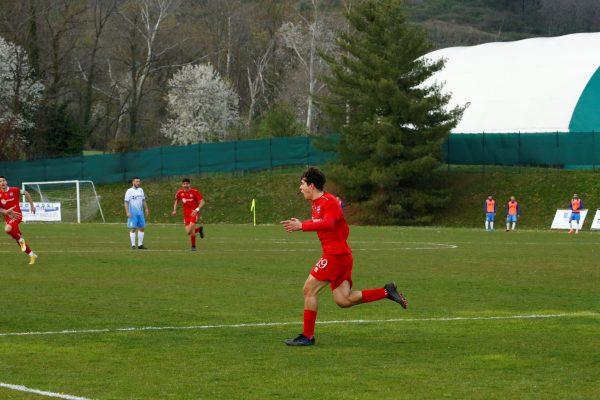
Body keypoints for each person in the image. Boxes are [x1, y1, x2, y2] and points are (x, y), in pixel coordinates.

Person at [280, 167, 408, 347]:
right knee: (343, 300)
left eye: (302, 184)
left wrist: (302, 226)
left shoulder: (328, 201)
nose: (300, 188)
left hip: (336, 256)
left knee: (309, 289)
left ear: (311, 185)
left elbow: (328, 223)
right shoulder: (318, 203)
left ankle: (307, 336)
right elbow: (336, 223)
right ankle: (386, 291)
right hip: (340, 255)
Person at [0, 176, 37, 264]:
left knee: (7, 229)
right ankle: (32, 255)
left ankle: (21, 240)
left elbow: (26, 193)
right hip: (8, 218)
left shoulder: (14, 190)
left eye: (4, 180)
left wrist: (32, 206)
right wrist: (5, 211)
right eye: (0, 181)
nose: (2, 182)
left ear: (6, 182)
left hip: (17, 216)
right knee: (18, 241)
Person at [172, 178, 205, 251]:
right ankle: (199, 229)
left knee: (191, 227)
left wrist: (197, 209)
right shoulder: (180, 193)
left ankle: (193, 247)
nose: (185, 185)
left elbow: (202, 202)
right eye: (184, 184)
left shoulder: (195, 192)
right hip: (186, 214)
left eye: (187, 184)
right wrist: (174, 210)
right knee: (188, 232)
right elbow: (176, 201)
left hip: (194, 213)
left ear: (189, 184)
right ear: (182, 184)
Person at [124, 177, 149, 249]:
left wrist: (146, 208)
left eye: (139, 181)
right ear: (133, 182)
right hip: (132, 212)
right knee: (133, 228)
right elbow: (126, 202)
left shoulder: (141, 190)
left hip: (140, 213)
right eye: (137, 181)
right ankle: (133, 245)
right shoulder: (129, 191)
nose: (138, 183)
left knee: (142, 228)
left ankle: (140, 245)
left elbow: (143, 200)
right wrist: (127, 212)